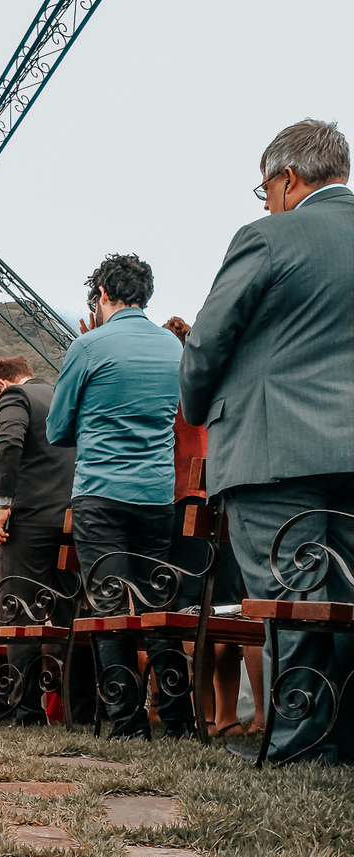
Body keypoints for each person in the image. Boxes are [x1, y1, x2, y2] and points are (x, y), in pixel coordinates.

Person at [181, 118, 354, 765]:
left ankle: (300, 749)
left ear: (286, 178)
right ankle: (344, 740)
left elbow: (207, 342)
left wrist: (200, 409)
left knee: (296, 600)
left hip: (275, 449)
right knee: (349, 600)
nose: (266, 202)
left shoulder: (269, 237)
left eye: (265, 189)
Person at [47, 254, 194, 741]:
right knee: (157, 604)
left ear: (104, 294)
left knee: (110, 607)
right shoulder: (174, 350)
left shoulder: (88, 346)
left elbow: (57, 427)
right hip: (156, 494)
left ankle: (128, 724)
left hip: (102, 493)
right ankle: (177, 721)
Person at [163, 316, 260, 738]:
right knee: (231, 611)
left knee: (189, 611)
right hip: (224, 504)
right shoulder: (217, 385)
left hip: (186, 505)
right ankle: (230, 717)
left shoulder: (174, 394)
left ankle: (201, 715)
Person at [0, 355, 86, 725]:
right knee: (67, 613)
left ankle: (25, 710)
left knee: (19, 610)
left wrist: (2, 503)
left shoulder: (15, 398)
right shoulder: (61, 394)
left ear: (1, 385)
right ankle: (78, 706)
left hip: (28, 520)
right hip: (70, 519)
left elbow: (9, 444)